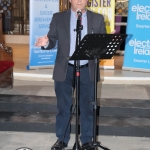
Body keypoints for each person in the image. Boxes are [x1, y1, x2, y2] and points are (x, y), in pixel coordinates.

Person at [35, 0, 107, 149]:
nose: (79, 0)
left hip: (87, 69)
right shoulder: (58, 17)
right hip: (65, 69)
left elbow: (101, 46)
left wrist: (107, 42)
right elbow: (52, 40)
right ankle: (62, 139)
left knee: (87, 107)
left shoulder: (98, 18)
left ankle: (87, 141)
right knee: (63, 107)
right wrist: (46, 43)